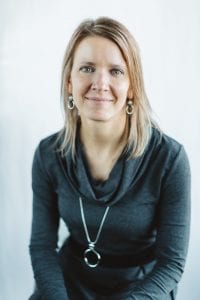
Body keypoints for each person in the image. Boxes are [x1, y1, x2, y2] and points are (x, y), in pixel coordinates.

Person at [29, 17, 191, 300]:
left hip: (141, 287)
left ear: (132, 87)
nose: (100, 83)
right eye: (87, 68)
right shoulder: (48, 154)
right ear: (69, 82)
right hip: (70, 283)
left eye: (116, 71)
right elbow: (42, 246)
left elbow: (171, 263)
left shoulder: (170, 159)